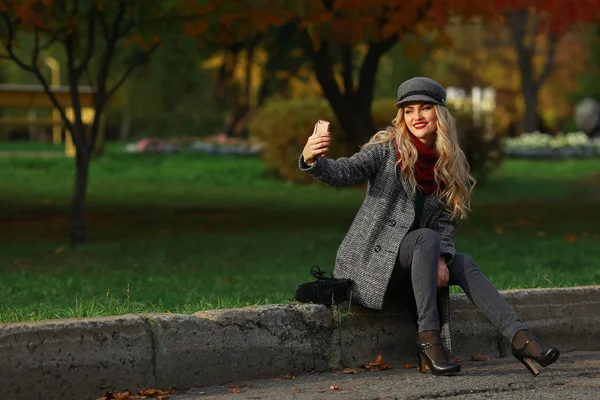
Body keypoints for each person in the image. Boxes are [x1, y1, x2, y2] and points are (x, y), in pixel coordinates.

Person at [298, 77, 560, 376]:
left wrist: (442, 256)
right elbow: (345, 171)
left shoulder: (449, 162)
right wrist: (311, 159)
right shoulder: (386, 149)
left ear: (441, 114)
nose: (417, 117)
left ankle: (519, 337)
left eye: (425, 108)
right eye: (409, 111)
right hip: (371, 268)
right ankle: (429, 340)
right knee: (425, 238)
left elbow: (446, 224)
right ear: (402, 117)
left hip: (415, 264)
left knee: (462, 262)